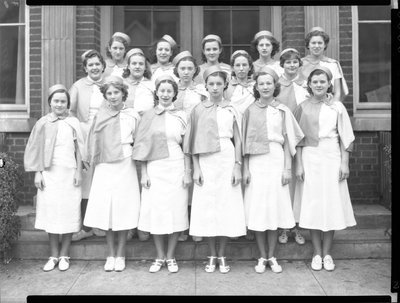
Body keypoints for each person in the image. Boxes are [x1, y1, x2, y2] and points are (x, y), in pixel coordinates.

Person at [293, 66, 356, 271]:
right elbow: (298, 140)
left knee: (330, 202)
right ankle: (316, 252)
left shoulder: (337, 107)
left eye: (323, 81)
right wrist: (300, 165)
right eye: (315, 82)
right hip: (310, 157)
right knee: (313, 203)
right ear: (309, 85)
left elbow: (345, 136)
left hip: (331, 156)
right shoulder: (302, 107)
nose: (319, 85)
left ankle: (327, 253)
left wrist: (344, 163)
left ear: (329, 83)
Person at [184, 66, 246, 274]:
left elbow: (238, 139)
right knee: (208, 206)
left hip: (227, 157)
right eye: (211, 84)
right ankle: (211, 254)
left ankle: (222, 254)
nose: (215, 87)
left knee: (226, 205)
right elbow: (192, 140)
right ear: (205, 86)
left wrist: (238, 167)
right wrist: (196, 168)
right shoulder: (198, 109)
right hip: (206, 159)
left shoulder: (232, 108)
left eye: (219, 83)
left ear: (225, 85)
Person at [242, 67, 304, 274]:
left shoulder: (283, 110)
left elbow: (288, 141)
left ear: (274, 86)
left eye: (269, 83)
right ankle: (262, 256)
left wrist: (287, 168)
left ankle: (273, 256)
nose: (265, 87)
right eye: (261, 84)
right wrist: (246, 170)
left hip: (276, 159)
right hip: (257, 162)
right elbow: (245, 142)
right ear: (256, 87)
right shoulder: (250, 111)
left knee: (274, 208)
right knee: (259, 208)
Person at [132, 75, 192, 273]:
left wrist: (187, 172)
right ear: (156, 93)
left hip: (176, 166)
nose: (165, 94)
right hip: (155, 168)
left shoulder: (183, 116)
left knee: (176, 210)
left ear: (175, 94)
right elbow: (142, 146)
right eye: (162, 91)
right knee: (156, 212)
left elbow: (187, 147)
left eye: (169, 91)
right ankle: (159, 256)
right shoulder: (148, 116)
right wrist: (144, 173)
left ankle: (171, 256)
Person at [83, 76, 141, 272]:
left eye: (116, 92)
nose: (113, 96)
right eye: (109, 93)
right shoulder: (100, 115)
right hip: (105, 164)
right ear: (105, 95)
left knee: (123, 207)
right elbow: (93, 139)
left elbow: (139, 140)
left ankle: (121, 253)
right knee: (106, 207)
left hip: (126, 162)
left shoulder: (132, 115)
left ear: (123, 93)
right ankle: (110, 254)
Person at [24, 84, 85, 272]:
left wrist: (78, 171)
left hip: (69, 172)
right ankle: (53, 254)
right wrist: (38, 172)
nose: (59, 104)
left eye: (63, 101)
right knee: (51, 212)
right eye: (56, 101)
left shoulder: (73, 123)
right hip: (49, 173)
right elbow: (35, 149)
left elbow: (80, 150)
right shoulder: (42, 123)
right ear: (50, 102)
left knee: (68, 211)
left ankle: (65, 254)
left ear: (68, 103)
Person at [69, 50, 107, 241]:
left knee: (102, 179)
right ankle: (85, 226)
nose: (94, 67)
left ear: (103, 66)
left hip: (105, 134)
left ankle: (99, 224)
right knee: (86, 178)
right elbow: (70, 110)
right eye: (90, 65)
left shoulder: (108, 84)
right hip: (84, 133)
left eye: (97, 64)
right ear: (85, 68)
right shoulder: (78, 86)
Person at [172, 50, 208, 243]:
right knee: (180, 181)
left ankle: (197, 225)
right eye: (182, 69)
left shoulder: (201, 90)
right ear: (177, 70)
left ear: (195, 70)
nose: (186, 72)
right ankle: (181, 226)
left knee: (198, 180)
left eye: (189, 69)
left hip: (196, 136)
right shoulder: (170, 89)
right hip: (176, 138)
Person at [275, 48, 309, 246]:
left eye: (295, 62)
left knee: (298, 184)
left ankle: (296, 225)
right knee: (284, 184)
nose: (291, 65)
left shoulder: (305, 84)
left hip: (302, 139)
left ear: (299, 64)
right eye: (287, 62)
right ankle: (283, 226)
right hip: (283, 138)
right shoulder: (277, 85)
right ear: (282, 65)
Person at [224, 49, 256, 241]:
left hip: (252, 133)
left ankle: (250, 223)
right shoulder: (228, 87)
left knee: (250, 178)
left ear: (250, 67)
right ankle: (235, 223)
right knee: (234, 178)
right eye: (238, 65)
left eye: (245, 65)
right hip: (233, 135)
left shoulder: (255, 86)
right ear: (232, 68)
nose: (241, 68)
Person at [299, 27, 349, 102]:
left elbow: (338, 92)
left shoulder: (332, 64)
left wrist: (332, 108)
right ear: (308, 45)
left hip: (328, 105)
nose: (316, 46)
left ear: (325, 45)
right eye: (313, 43)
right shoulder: (300, 64)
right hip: (305, 106)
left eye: (320, 43)